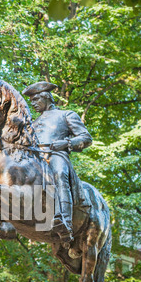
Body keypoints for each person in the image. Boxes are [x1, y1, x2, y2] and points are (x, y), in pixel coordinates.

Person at [23, 81, 93, 248]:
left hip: (56, 155)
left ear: (47, 97)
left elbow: (86, 138)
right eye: (31, 100)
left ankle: (65, 222)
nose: (33, 104)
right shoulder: (31, 123)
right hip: (34, 159)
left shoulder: (66, 115)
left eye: (36, 99)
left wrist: (67, 143)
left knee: (60, 173)